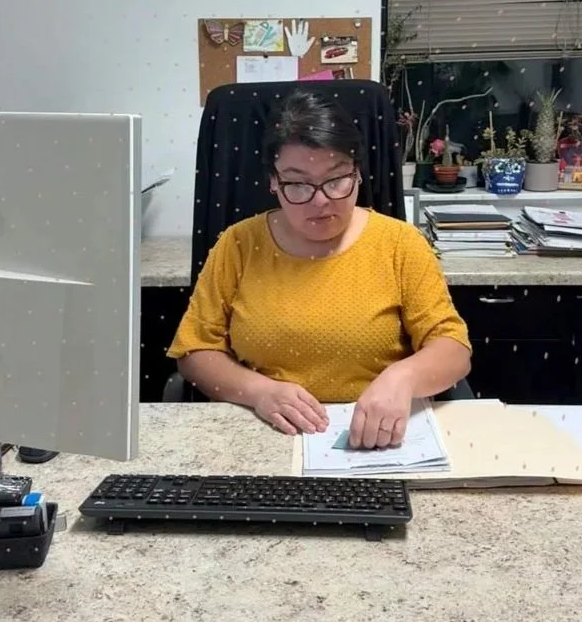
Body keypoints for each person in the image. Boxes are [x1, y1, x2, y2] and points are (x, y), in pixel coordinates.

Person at [168, 89, 471, 448]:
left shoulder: (400, 244)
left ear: (357, 173)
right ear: (273, 182)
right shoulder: (238, 245)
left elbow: (453, 347)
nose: (321, 200)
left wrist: (402, 378)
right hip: (260, 434)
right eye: (297, 184)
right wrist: (258, 391)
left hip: (374, 441)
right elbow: (193, 352)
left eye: (336, 179)